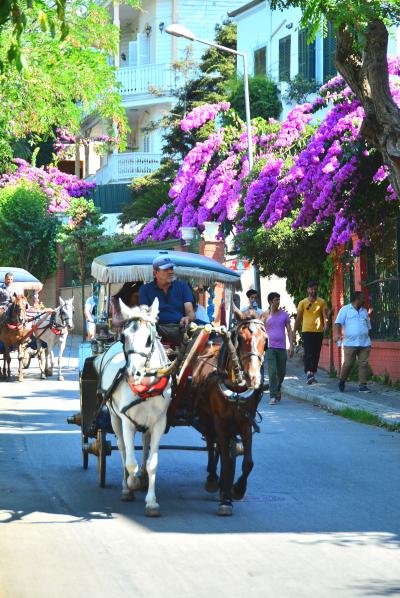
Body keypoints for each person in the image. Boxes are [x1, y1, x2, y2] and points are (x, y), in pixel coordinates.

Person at [139, 256, 195, 345]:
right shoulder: (145, 289)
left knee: (206, 332)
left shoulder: (183, 286)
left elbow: (190, 312)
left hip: (181, 329)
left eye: (171, 268)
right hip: (156, 329)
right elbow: (144, 311)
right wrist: (149, 317)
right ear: (155, 273)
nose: (171, 272)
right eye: (166, 269)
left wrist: (187, 318)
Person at [334, 290, 372, 393]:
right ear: (357, 299)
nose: (364, 300)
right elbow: (338, 323)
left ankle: (362, 385)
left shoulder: (364, 311)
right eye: (362, 298)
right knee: (348, 364)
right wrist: (337, 334)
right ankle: (342, 381)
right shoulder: (345, 309)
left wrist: (365, 334)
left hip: (364, 343)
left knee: (363, 364)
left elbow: (368, 326)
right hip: (350, 343)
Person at [293, 280, 329, 384]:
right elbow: (298, 319)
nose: (313, 291)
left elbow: (325, 316)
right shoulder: (302, 303)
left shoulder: (321, 302)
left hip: (318, 331)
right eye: (311, 289)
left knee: (316, 353)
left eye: (315, 289)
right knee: (308, 352)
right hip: (307, 331)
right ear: (308, 290)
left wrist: (326, 324)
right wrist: (294, 331)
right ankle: (308, 372)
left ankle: (312, 372)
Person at [263, 292, 294, 405]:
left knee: (281, 372)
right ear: (271, 301)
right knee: (272, 372)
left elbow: (289, 330)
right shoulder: (265, 315)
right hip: (270, 347)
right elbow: (260, 331)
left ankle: (278, 388)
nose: (278, 302)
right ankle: (273, 395)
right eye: (276, 300)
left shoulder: (284, 315)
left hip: (282, 347)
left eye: (279, 299)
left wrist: (291, 345)